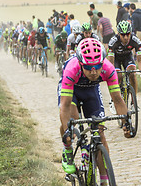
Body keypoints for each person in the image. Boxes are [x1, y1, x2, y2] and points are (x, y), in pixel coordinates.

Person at [58, 38, 131, 176]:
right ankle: (67, 150)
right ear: (80, 63)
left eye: (97, 67)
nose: (93, 72)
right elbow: (65, 105)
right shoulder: (71, 69)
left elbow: (117, 99)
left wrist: (126, 122)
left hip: (91, 91)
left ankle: (104, 179)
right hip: (72, 91)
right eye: (88, 67)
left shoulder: (108, 69)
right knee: (72, 120)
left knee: (100, 133)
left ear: (102, 63)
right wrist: (68, 129)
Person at [108, 20, 141, 95]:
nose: (126, 37)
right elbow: (110, 62)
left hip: (127, 57)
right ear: (118, 34)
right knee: (118, 75)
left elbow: (140, 59)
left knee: (132, 73)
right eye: (123, 35)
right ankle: (116, 96)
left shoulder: (135, 40)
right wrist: (110, 74)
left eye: (128, 34)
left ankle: (134, 101)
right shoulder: (113, 42)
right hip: (116, 58)